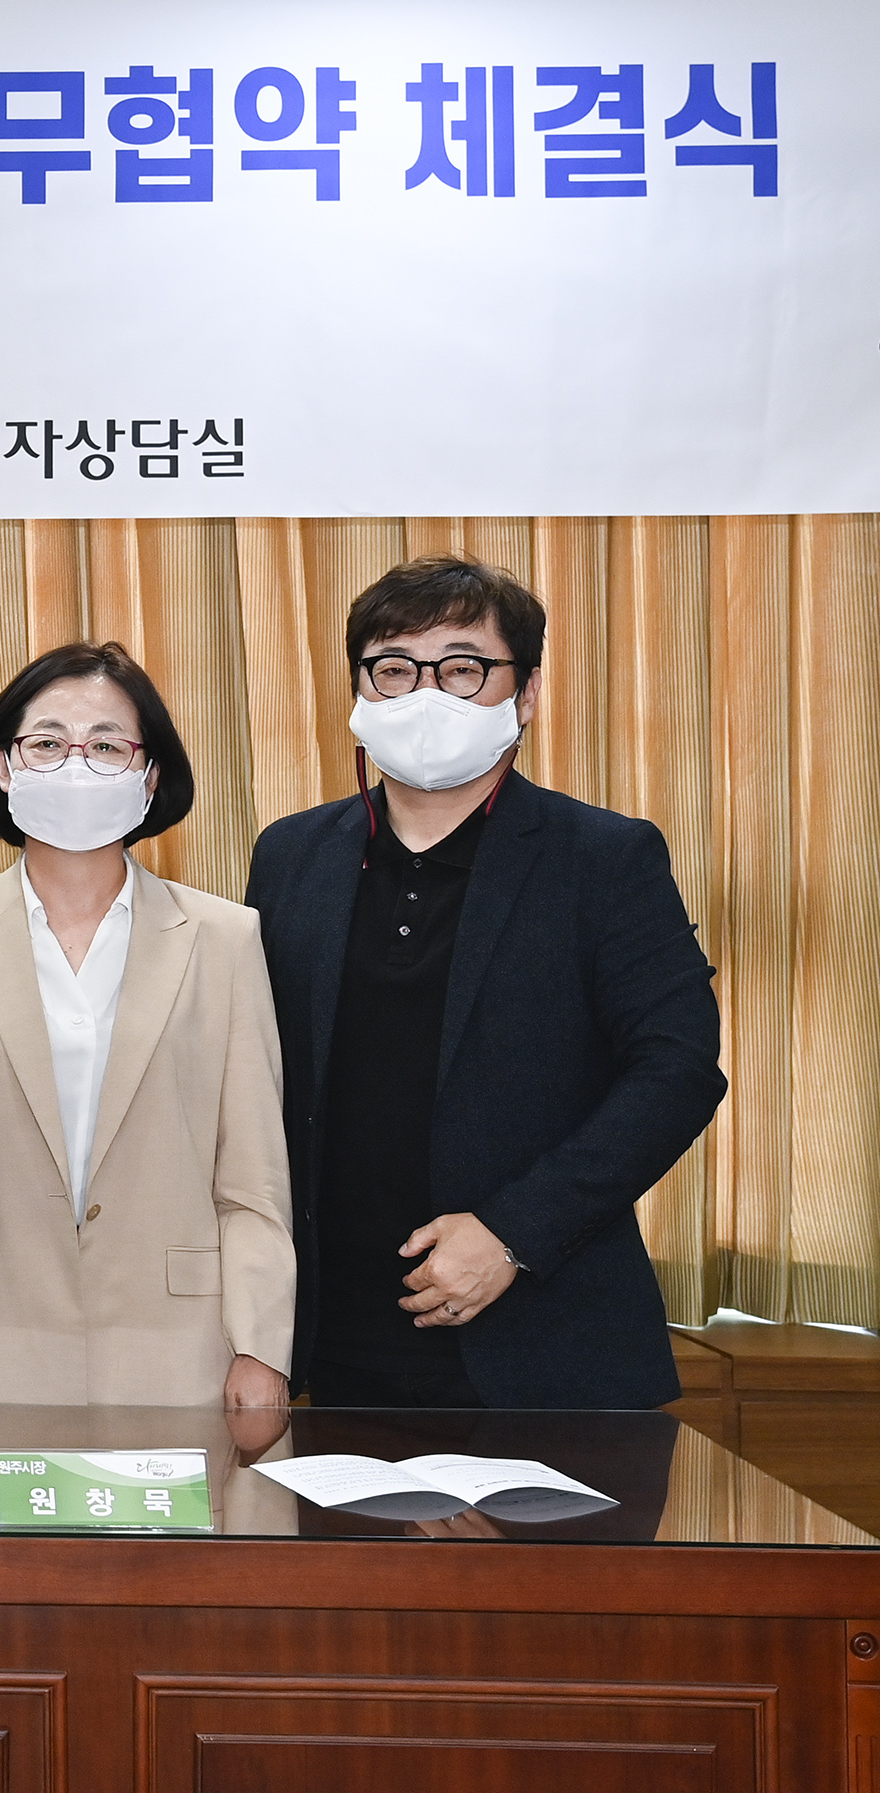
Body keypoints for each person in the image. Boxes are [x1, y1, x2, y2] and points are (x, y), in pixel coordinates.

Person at [244, 556, 725, 1410]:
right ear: (358, 692)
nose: (425, 695)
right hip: (336, 1341)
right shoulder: (292, 854)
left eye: (463, 669)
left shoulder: (604, 857)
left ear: (526, 692)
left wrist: (513, 1234)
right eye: (395, 669)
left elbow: (677, 1071)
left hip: (543, 1338)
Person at [0, 643, 296, 1414]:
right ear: (4, 766)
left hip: (182, 1348)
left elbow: (253, 1180)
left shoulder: (224, 938)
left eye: (106, 746)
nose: (76, 764)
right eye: (47, 743)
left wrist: (261, 1348)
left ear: (150, 774)